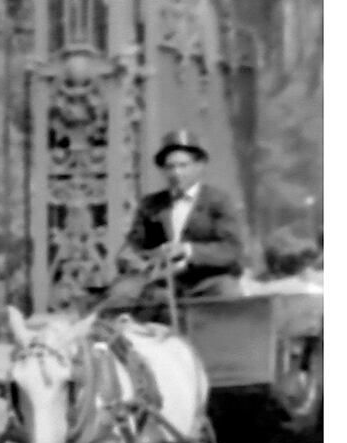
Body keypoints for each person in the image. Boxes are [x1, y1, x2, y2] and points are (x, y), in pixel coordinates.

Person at [100, 129, 246, 316]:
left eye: (183, 166)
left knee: (229, 293)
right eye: (170, 167)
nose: (176, 173)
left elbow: (231, 250)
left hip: (207, 281)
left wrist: (188, 250)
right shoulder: (151, 204)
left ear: (199, 166)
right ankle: (107, 340)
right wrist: (138, 261)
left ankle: (227, 344)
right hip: (162, 282)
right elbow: (132, 247)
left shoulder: (219, 201)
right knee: (121, 293)